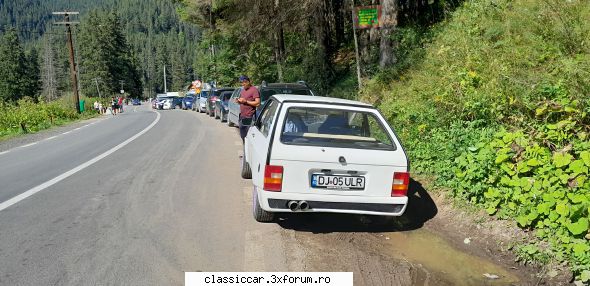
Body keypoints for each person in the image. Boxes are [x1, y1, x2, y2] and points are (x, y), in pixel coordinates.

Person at [236, 75, 260, 142]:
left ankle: (247, 152)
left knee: (248, 138)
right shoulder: (243, 90)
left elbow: (257, 103)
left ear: (248, 81)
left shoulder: (254, 90)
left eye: (244, 82)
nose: (243, 84)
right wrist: (239, 101)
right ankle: (245, 151)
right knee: (243, 137)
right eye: (241, 82)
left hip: (249, 117)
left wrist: (246, 101)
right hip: (242, 116)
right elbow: (243, 101)